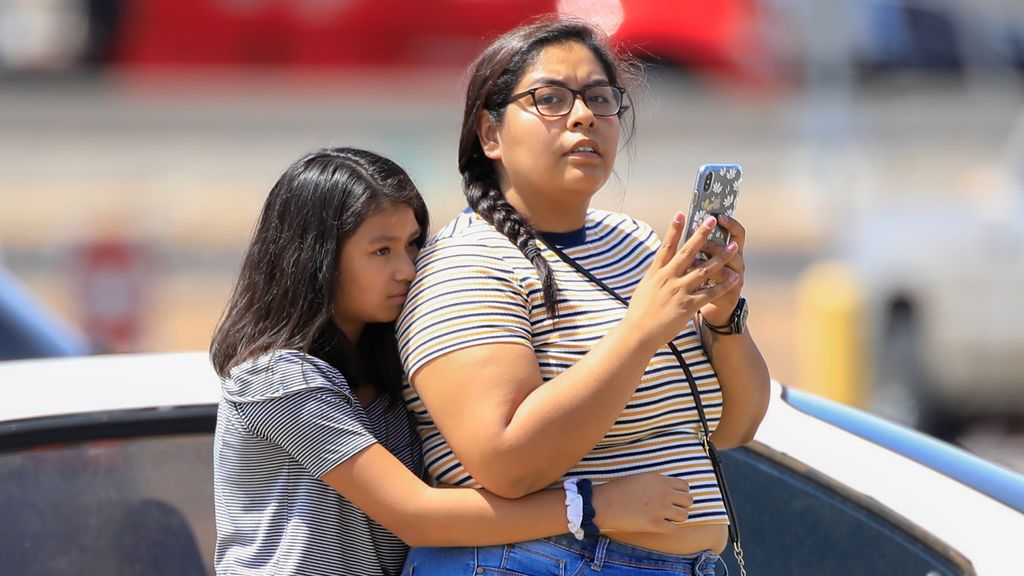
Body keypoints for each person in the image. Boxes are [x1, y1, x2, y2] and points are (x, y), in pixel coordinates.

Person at [396, 18, 771, 575]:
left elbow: (734, 427)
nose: (583, 116)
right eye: (549, 99)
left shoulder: (636, 242)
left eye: (600, 98)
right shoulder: (468, 261)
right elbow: (508, 464)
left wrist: (723, 318)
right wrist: (643, 330)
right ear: (490, 133)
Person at [210, 147, 695, 576]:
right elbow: (416, 514)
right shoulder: (276, 376)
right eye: (381, 250)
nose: (407, 269)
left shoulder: (391, 368)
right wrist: (592, 506)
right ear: (314, 258)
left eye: (413, 243)